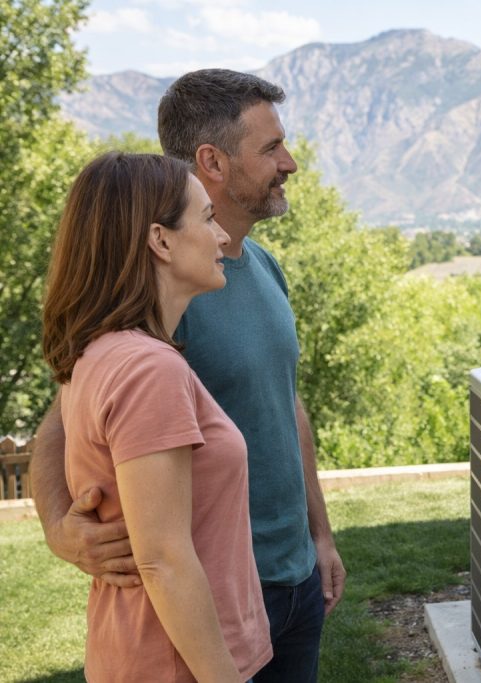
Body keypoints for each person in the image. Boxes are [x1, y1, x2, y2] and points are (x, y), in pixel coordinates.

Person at [32, 70, 345, 682]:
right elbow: (65, 424)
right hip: (204, 609)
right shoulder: (155, 314)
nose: (291, 162)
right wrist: (57, 530)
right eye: (271, 147)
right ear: (213, 161)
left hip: (291, 582)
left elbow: (284, 403)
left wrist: (319, 538)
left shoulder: (261, 268)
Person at [41, 152, 271, 681]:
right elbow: (163, 560)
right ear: (160, 240)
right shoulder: (148, 369)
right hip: (176, 664)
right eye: (207, 219)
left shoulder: (102, 354)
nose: (220, 239)